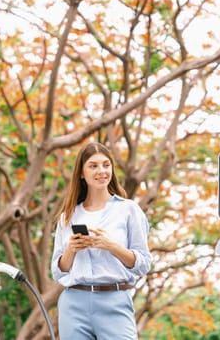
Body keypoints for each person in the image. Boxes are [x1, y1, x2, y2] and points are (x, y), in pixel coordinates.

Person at [51, 141, 152, 340]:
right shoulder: (67, 216)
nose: (101, 171)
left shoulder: (128, 210)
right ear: (81, 173)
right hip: (74, 303)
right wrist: (71, 250)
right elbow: (57, 272)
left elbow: (144, 264)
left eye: (106, 165)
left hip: (114, 300)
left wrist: (112, 246)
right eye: (93, 165)